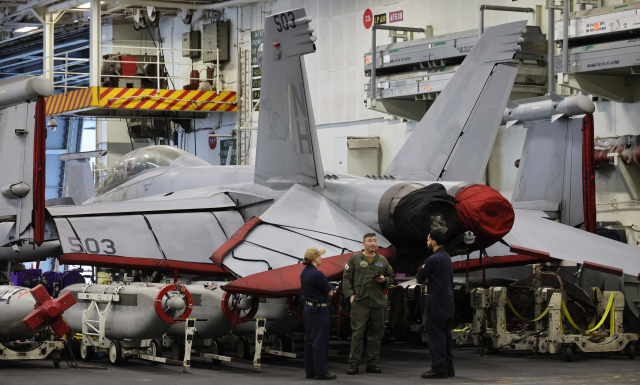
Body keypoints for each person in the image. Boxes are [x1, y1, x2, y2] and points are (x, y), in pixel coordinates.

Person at [342, 233, 395, 375]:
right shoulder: (354, 259)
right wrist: (350, 295)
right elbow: (346, 278)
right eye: (370, 241)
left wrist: (385, 280)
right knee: (357, 333)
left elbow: (392, 277)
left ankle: (372, 364)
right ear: (363, 243)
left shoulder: (382, 260)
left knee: (376, 335)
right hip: (360, 302)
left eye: (374, 241)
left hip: (377, 302)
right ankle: (354, 364)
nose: (373, 243)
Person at [416, 229, 455, 379]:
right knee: (446, 336)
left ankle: (438, 368)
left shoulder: (433, 259)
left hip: (436, 302)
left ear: (433, 242)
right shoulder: (447, 258)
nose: (427, 242)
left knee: (435, 336)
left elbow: (420, 278)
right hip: (449, 302)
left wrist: (427, 278)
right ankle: (448, 368)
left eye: (428, 240)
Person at [300, 247, 337, 380]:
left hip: (308, 309)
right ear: (315, 258)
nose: (321, 258)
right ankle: (321, 372)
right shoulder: (317, 274)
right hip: (319, 311)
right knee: (320, 341)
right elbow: (330, 292)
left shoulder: (304, 273)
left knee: (310, 341)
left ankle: (310, 371)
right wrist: (332, 287)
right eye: (320, 256)